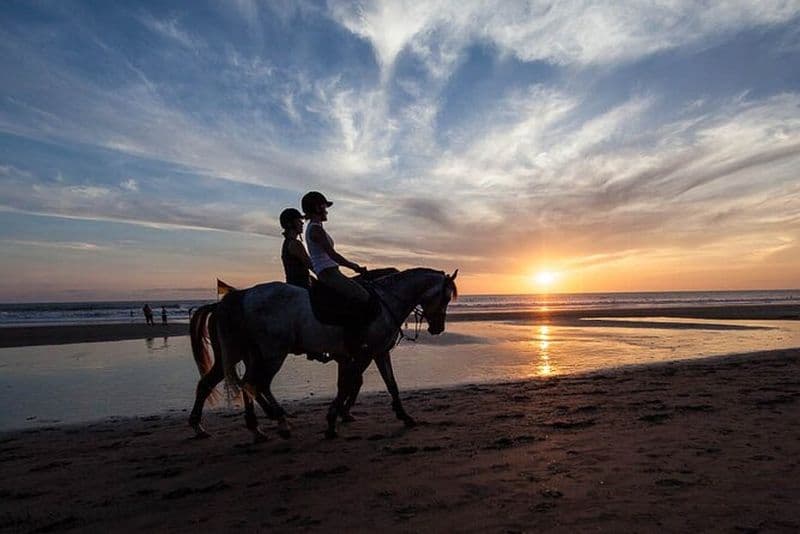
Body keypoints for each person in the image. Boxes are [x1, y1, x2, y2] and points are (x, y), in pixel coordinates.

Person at [302, 191, 372, 354]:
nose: (326, 211)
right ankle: (354, 340)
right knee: (362, 297)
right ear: (317, 208)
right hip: (329, 274)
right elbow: (333, 255)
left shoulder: (317, 227)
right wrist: (355, 267)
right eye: (324, 207)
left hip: (332, 272)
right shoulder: (315, 230)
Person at [279, 207, 331, 363]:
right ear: (290, 223)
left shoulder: (289, 243)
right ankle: (315, 347)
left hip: (298, 282)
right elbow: (311, 265)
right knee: (327, 305)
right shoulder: (295, 244)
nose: (302, 223)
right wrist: (327, 277)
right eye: (298, 220)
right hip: (300, 285)